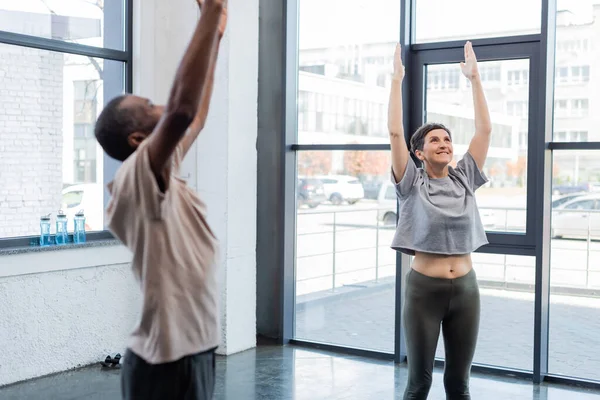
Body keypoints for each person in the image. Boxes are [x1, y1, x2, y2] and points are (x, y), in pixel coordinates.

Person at [93, 0, 227, 398]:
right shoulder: (138, 175)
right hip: (166, 362)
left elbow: (197, 114)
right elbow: (183, 109)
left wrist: (216, 35)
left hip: (196, 348)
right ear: (137, 139)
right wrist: (210, 12)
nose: (160, 106)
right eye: (150, 107)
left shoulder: (161, 169)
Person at [388, 41, 492, 400]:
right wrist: (396, 81)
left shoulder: (464, 176)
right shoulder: (411, 183)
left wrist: (474, 79)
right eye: (435, 139)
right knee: (420, 383)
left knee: (458, 384)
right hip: (423, 293)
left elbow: (484, 131)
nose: (444, 143)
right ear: (420, 152)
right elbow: (395, 133)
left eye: (447, 139)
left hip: (466, 290)